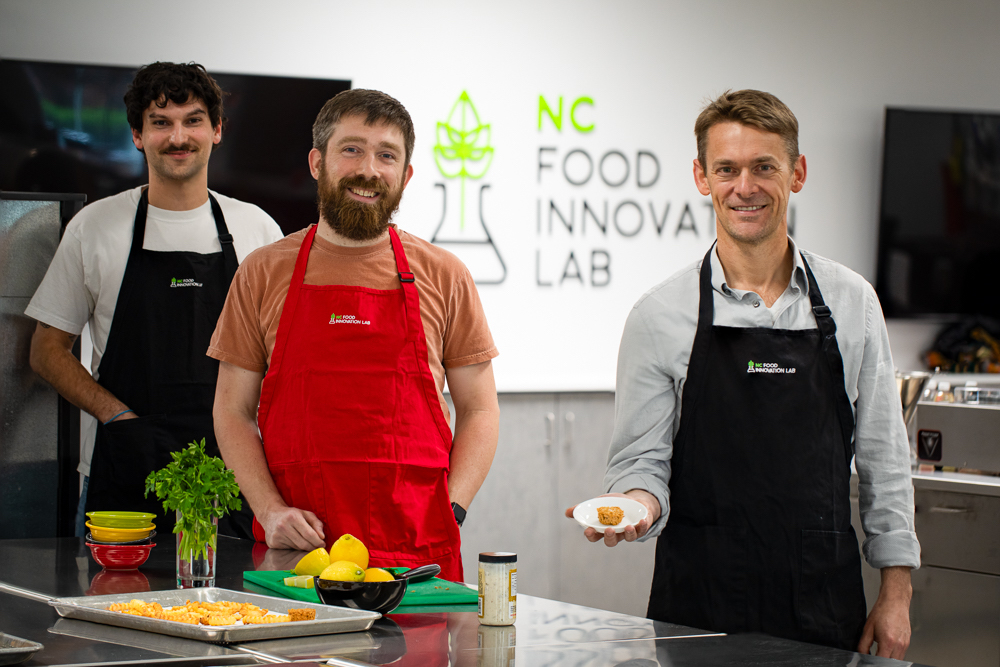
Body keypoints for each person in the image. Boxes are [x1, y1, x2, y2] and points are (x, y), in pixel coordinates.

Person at [567, 90, 919, 658]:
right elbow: (642, 461)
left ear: (797, 172)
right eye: (726, 169)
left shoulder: (854, 303)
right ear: (702, 178)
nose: (745, 186)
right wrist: (636, 506)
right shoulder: (659, 316)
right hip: (697, 607)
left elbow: (884, 459)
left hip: (825, 606)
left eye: (764, 167)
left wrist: (896, 592)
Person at [210, 89, 500, 582]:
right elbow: (231, 410)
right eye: (351, 150)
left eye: (387, 155)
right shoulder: (263, 271)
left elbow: (480, 409)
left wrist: (453, 509)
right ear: (316, 162)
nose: (369, 169)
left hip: (415, 552)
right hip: (301, 553)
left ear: (405, 175)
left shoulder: (445, 274)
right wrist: (269, 510)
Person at [27, 62, 284, 537]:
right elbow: (46, 350)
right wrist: (116, 416)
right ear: (137, 136)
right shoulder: (94, 226)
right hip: (124, 472)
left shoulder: (259, 230)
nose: (178, 136)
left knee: (235, 611)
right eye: (161, 122)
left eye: (193, 120)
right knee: (107, 608)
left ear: (217, 130)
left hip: (236, 480)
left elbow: (285, 355)